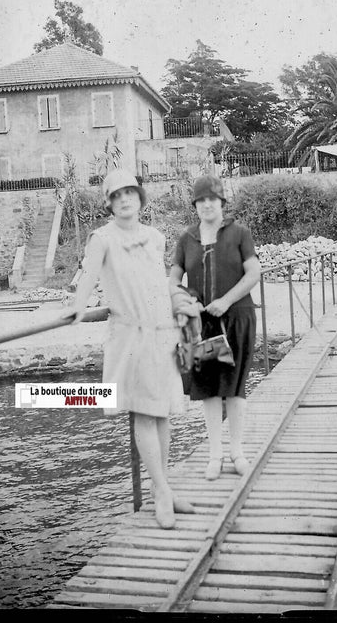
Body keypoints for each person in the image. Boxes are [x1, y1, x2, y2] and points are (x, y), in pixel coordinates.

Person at [65, 168, 199, 529]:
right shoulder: (102, 238)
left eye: (130, 193)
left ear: (140, 197)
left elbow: (159, 284)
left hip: (162, 332)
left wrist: (179, 310)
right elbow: (89, 277)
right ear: (109, 203)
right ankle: (162, 494)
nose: (124, 199)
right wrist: (78, 306)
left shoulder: (154, 237)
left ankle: (163, 490)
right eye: (116, 195)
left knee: (163, 413)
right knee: (143, 413)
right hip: (129, 337)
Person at [169, 174, 261, 480]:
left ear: (222, 202)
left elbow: (253, 274)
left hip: (238, 317)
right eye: (201, 200)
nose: (207, 205)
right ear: (195, 205)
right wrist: (187, 301)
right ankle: (215, 455)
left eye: (213, 199)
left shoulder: (239, 234)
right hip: (203, 325)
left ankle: (237, 452)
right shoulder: (186, 239)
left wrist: (226, 299)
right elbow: (172, 280)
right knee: (208, 389)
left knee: (235, 388)